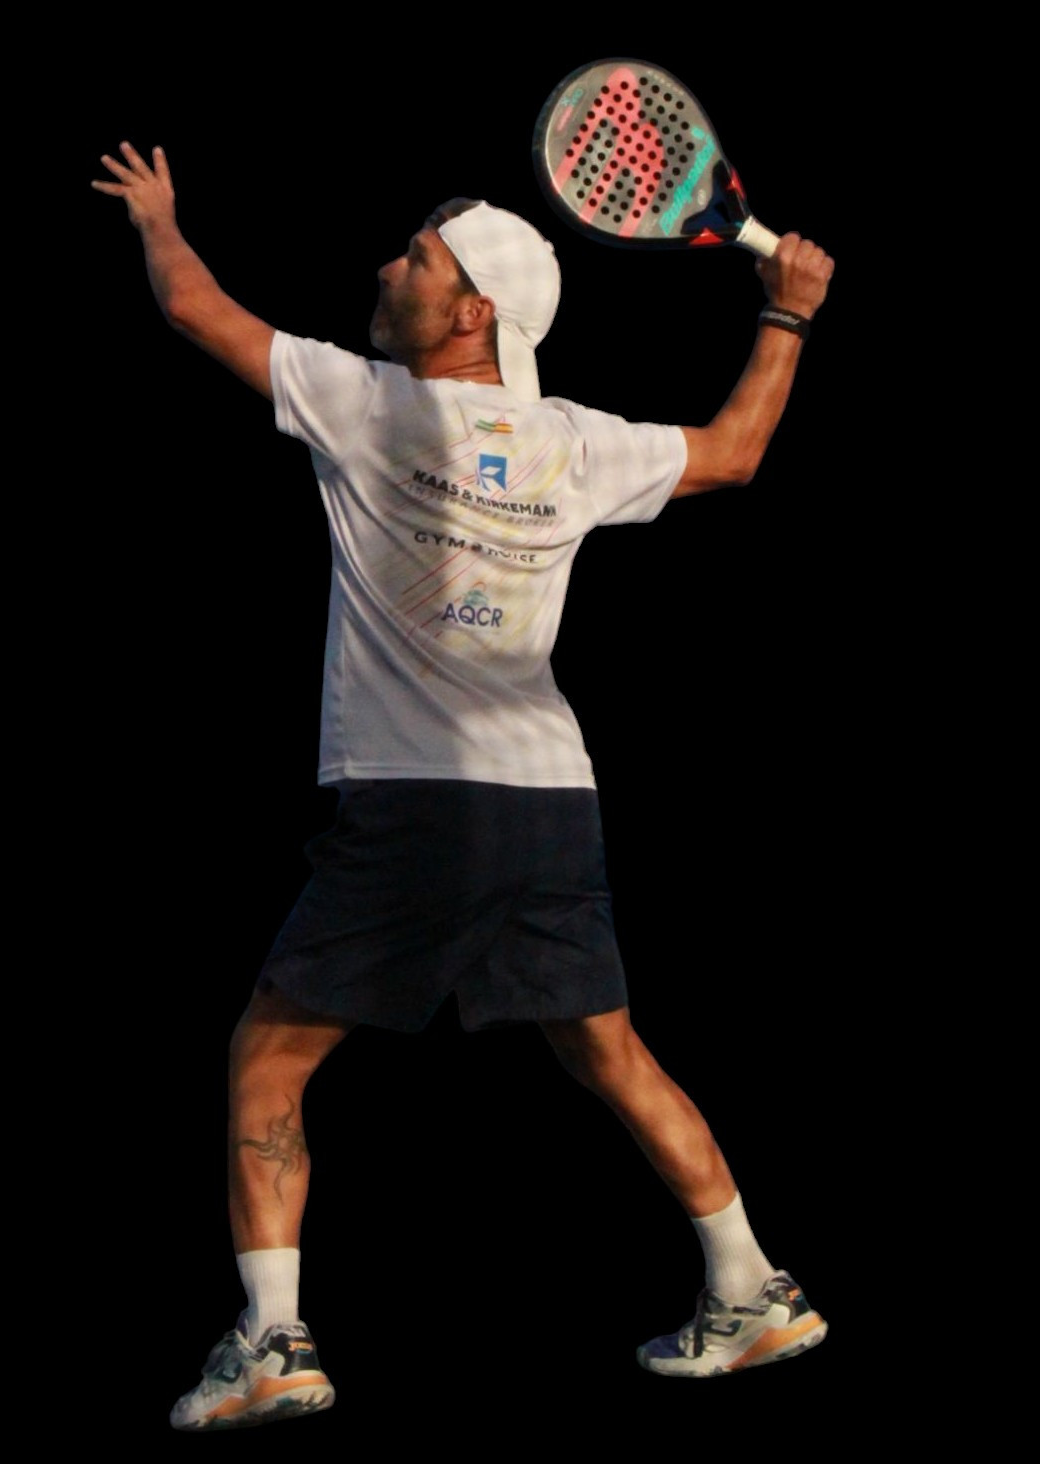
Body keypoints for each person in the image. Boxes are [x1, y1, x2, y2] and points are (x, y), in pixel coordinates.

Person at [93, 140, 836, 1432]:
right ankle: (751, 1284)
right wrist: (789, 313)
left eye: (419, 259)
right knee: (608, 1051)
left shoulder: (369, 402)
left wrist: (158, 218)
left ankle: (271, 1341)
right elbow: (733, 453)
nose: (391, 268)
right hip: (550, 804)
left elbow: (194, 308)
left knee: (267, 1059)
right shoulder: (570, 442)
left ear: (473, 312)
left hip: (417, 802)